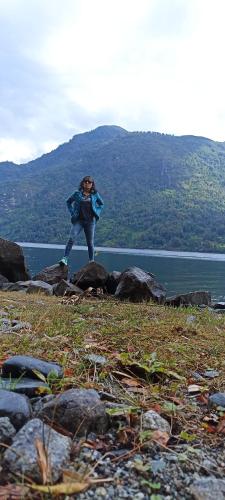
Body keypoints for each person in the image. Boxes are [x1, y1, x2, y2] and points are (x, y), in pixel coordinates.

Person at [59, 176, 104, 265]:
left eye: (89, 182)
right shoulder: (77, 194)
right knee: (72, 237)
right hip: (79, 221)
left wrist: (96, 212)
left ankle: (91, 261)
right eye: (86, 181)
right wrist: (72, 213)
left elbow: (101, 204)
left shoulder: (95, 194)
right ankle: (65, 259)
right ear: (83, 183)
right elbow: (68, 202)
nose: (87, 183)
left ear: (92, 184)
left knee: (90, 242)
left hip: (90, 222)